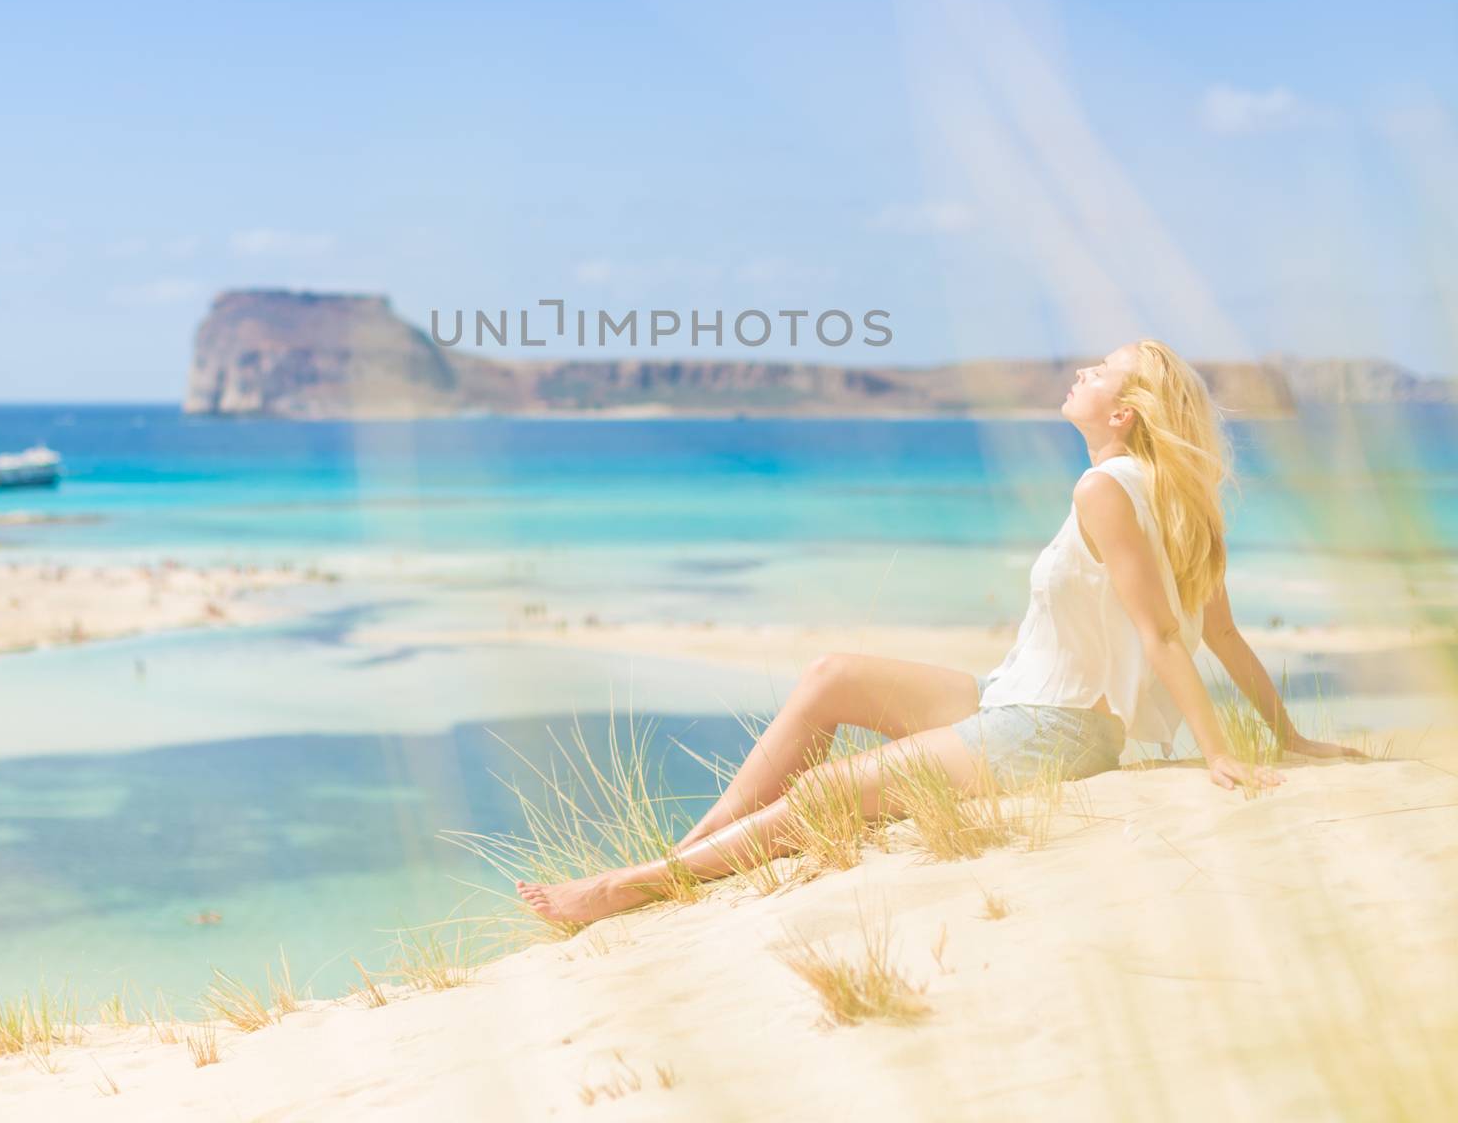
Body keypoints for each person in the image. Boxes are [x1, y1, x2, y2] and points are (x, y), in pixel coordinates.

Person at [517, 339, 1364, 926]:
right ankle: (689, 853)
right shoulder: (1172, 493)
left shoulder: (1104, 492)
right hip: (1015, 702)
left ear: (1126, 414)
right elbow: (1223, 633)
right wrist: (1285, 733)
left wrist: (1221, 754)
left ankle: (638, 887)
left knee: (825, 794)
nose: (1081, 372)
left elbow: (1168, 638)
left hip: (1050, 732)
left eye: (1101, 371)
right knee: (830, 676)